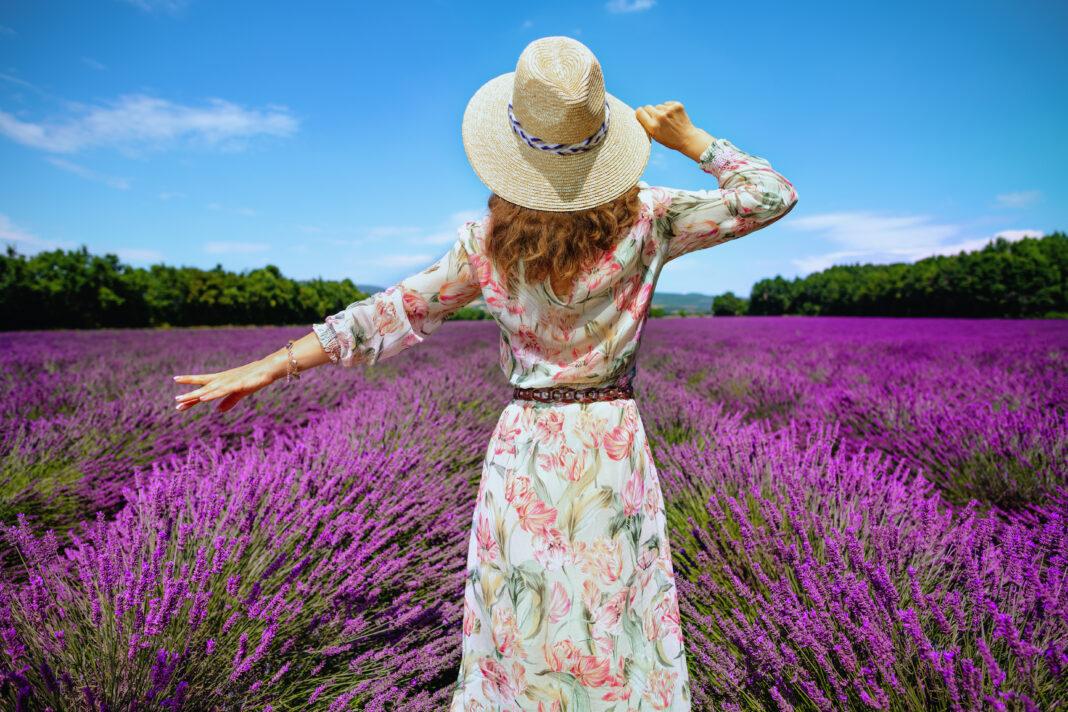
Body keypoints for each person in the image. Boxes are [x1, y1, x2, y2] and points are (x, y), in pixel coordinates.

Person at [174, 35, 797, 712]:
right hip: (610, 441)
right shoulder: (652, 218)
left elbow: (389, 313)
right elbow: (770, 195)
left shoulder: (486, 242)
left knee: (521, 620)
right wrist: (692, 139)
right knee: (614, 620)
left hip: (526, 448)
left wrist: (272, 365)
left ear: (514, 147)